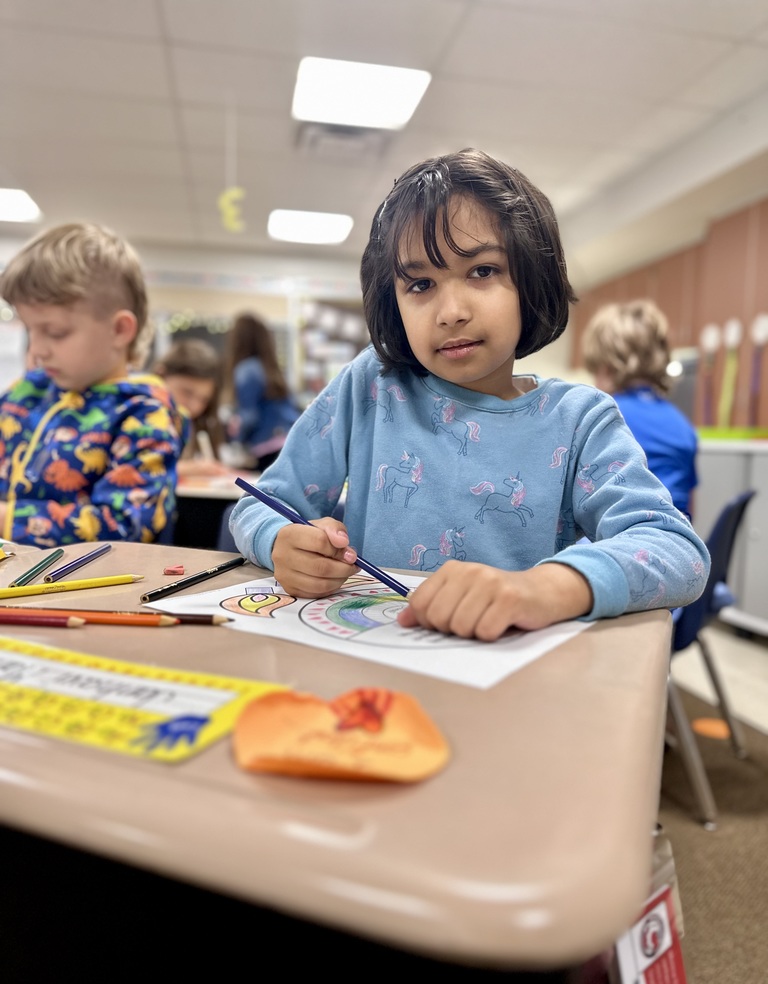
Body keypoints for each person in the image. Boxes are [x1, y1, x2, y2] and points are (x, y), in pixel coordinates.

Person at [229, 148, 709, 641]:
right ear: (393, 303)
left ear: (530, 279)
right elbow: (259, 504)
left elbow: (677, 550)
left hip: (507, 677)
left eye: (482, 271)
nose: (451, 310)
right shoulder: (372, 384)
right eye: (420, 283)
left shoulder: (580, 420)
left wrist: (548, 588)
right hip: (372, 658)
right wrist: (281, 541)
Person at [0, 222, 187, 548]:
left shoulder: (143, 412)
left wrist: (7, 520)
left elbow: (123, 524)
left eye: (55, 332)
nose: (38, 349)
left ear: (119, 331)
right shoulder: (26, 392)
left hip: (75, 589)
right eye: (31, 330)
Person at [581, 299, 699, 520]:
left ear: (608, 367)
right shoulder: (683, 425)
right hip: (676, 543)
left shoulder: (605, 417)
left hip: (626, 544)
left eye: (595, 369)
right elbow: (689, 505)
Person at [223, 312, 299, 469]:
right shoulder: (274, 371)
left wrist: (234, 439)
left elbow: (249, 416)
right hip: (289, 442)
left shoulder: (246, 370)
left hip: (265, 449)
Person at [154, 337, 230, 478]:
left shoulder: (194, 425)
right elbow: (139, 469)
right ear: (161, 375)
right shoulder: (141, 418)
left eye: (204, 400)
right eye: (187, 392)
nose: (194, 407)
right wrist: (188, 469)